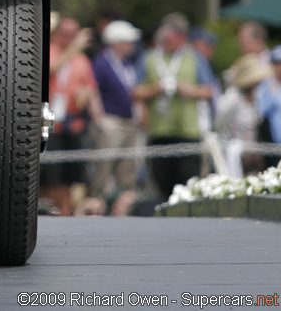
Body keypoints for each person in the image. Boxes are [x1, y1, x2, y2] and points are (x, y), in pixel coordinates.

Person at [131, 13, 214, 199]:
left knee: (187, 183)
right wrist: (155, 89)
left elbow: (209, 91)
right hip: (159, 131)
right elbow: (135, 92)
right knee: (162, 184)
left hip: (189, 131)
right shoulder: (149, 57)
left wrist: (189, 90)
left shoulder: (194, 57)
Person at [40, 15, 104, 215]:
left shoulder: (81, 60)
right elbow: (50, 69)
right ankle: (49, 210)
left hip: (71, 123)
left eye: (73, 35)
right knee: (50, 175)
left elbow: (90, 88)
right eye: (66, 34)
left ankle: (65, 213)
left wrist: (97, 114)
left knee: (71, 177)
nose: (71, 38)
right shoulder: (49, 51)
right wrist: (74, 47)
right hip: (49, 122)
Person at [89, 19, 142, 198]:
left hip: (129, 121)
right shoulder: (102, 62)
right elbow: (93, 90)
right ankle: (96, 206)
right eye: (127, 41)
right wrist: (99, 119)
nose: (131, 45)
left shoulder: (127, 63)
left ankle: (124, 208)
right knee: (103, 170)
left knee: (127, 171)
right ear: (116, 42)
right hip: (110, 121)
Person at [215, 54, 270, 177]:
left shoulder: (257, 97)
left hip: (253, 154)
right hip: (233, 155)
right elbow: (220, 127)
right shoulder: (231, 99)